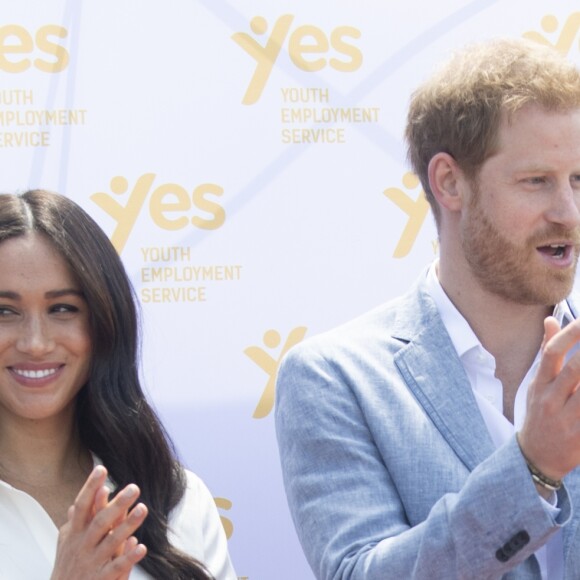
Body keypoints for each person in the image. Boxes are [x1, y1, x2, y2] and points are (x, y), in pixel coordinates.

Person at [275, 37, 580, 579]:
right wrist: (531, 469)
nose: (568, 212)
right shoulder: (335, 377)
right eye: (537, 181)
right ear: (449, 182)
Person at [0, 189, 237, 579]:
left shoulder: (174, 498)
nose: (35, 343)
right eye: (5, 311)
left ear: (105, 322)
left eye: (62, 309)